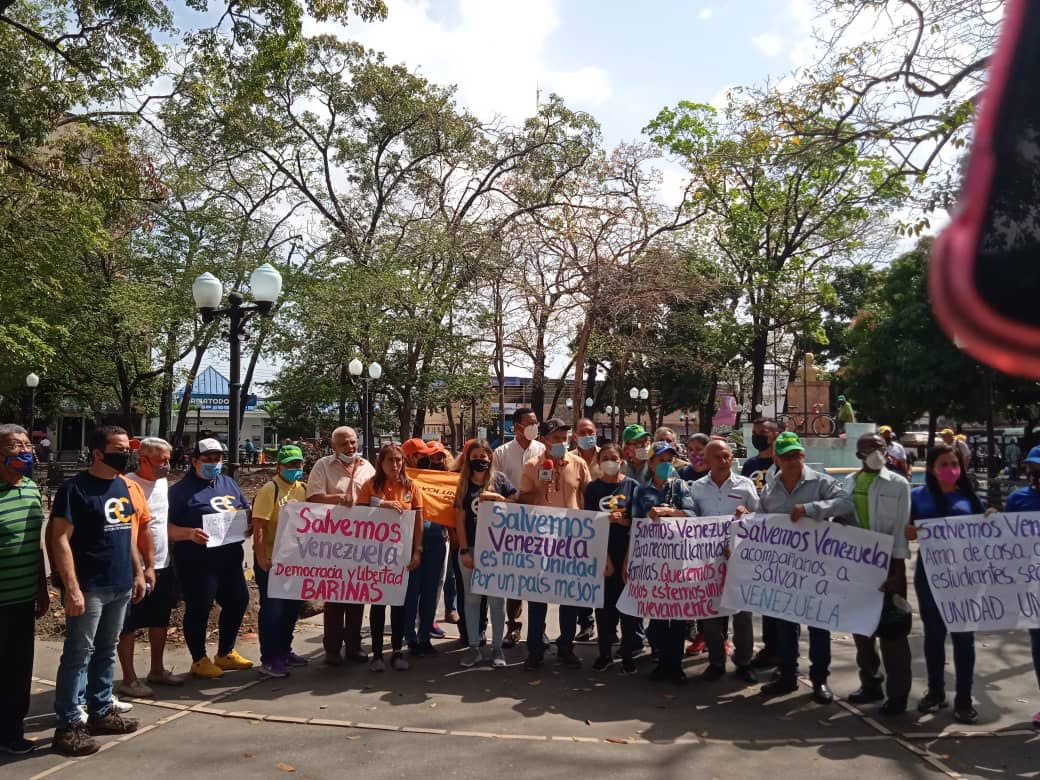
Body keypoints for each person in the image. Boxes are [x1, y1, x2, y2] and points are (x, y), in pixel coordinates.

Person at [49, 425, 146, 756]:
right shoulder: (75, 490)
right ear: (98, 453)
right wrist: (71, 587)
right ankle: (69, 723)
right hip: (89, 587)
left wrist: (137, 571)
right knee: (78, 654)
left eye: (128, 447)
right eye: (119, 448)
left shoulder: (121, 484)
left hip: (119, 584)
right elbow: (59, 537)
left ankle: (101, 709)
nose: (126, 453)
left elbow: (127, 533)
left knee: (107, 648)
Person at [759, 431, 852, 703]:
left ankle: (820, 679)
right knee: (785, 625)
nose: (793, 461)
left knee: (818, 625)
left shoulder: (821, 483)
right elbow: (761, 524)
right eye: (787, 456)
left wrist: (812, 508)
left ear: (804, 455)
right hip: (784, 569)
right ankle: (787, 675)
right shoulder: (771, 489)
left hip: (816, 569)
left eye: (797, 455)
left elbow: (845, 503)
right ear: (777, 458)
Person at [909, 444, 989, 724]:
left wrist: (991, 522)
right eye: (943, 464)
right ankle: (935, 692)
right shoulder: (917, 496)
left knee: (964, 639)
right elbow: (904, 531)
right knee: (933, 637)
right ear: (931, 468)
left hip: (965, 579)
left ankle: (964, 699)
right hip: (930, 578)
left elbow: (985, 534)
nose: (950, 469)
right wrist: (912, 530)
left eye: (954, 463)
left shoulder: (969, 497)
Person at [168, 438, 254, 679]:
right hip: (197, 562)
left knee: (238, 601)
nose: (214, 463)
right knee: (199, 608)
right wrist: (188, 533)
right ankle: (199, 659)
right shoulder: (179, 492)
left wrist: (247, 525)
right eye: (207, 459)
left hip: (229, 558)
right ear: (194, 461)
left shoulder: (228, 482)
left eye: (218, 459)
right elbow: (163, 528)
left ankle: (225, 653)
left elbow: (243, 510)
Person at [842, 433, 913, 716]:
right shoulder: (847, 484)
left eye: (880, 447)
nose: (876, 452)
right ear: (859, 453)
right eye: (869, 448)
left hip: (889, 567)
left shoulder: (898, 485)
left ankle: (898, 695)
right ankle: (870, 682)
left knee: (893, 634)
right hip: (858, 568)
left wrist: (897, 574)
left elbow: (900, 532)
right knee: (862, 631)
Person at [518, 418, 593, 671]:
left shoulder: (579, 464)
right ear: (544, 441)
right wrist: (540, 489)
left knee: (568, 596)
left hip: (570, 541)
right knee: (537, 597)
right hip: (539, 541)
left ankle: (565, 646)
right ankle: (535, 649)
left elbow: (588, 497)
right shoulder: (531, 466)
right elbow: (521, 500)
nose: (560, 443)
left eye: (564, 438)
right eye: (555, 439)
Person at [689, 439, 759, 684]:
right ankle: (716, 662)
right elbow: (690, 522)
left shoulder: (746, 485)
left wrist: (747, 515)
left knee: (742, 615)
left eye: (727, 455)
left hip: (738, 561)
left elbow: (761, 518)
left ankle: (744, 662)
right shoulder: (696, 488)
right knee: (710, 614)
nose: (724, 460)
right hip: (707, 563)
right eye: (717, 457)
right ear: (706, 461)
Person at [118, 437, 184, 698]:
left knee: (160, 618)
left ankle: (157, 669)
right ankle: (129, 678)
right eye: (161, 460)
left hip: (162, 563)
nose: (166, 465)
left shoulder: (162, 484)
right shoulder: (126, 485)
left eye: (169, 460)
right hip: (134, 567)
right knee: (129, 624)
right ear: (143, 459)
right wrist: (141, 566)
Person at [306, 426, 376, 666]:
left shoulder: (368, 466)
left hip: (361, 542)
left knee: (357, 597)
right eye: (344, 444)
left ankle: (354, 646)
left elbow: (376, 496)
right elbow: (312, 498)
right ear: (334, 446)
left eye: (354, 442)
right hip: (333, 543)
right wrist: (338, 499)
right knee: (335, 599)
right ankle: (332, 649)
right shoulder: (322, 466)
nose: (350, 447)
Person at [0, 424, 48, 755]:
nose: (25, 451)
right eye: (16, 447)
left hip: (22, 599)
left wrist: (41, 589)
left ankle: (11, 733)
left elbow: (36, 546)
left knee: (18, 672)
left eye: (27, 445)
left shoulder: (31, 489)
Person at [356, 443, 424, 672]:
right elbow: (359, 518)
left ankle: (396, 651)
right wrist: (382, 505)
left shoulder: (411, 487)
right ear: (381, 463)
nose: (395, 465)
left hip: (401, 557)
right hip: (376, 555)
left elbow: (418, 522)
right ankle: (376, 654)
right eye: (389, 460)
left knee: (399, 605)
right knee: (378, 604)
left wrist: (417, 550)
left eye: (398, 460)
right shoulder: (370, 486)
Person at [634, 440, 698, 684]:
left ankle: (675, 664)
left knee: (678, 617)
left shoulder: (680, 486)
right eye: (661, 460)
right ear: (651, 463)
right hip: (652, 562)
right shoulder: (642, 491)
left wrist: (671, 512)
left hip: (678, 561)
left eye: (670, 460)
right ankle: (661, 661)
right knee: (659, 616)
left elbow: (692, 515)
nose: (666, 465)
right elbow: (636, 524)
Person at [455, 439, 517, 668]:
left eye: (484, 455)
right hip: (470, 548)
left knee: (496, 601)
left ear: (490, 457)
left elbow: (515, 503)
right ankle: (473, 648)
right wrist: (463, 551)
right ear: (468, 459)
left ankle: (497, 648)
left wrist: (497, 498)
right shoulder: (463, 484)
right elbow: (459, 521)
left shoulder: (499, 480)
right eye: (475, 456)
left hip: (496, 551)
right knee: (471, 600)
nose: (480, 460)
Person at [252, 445, 308, 678]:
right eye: (290, 464)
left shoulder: (303, 489)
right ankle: (270, 658)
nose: (295, 468)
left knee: (291, 610)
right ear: (279, 466)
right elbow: (259, 526)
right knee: (272, 611)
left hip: (295, 562)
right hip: (272, 561)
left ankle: (285, 651)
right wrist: (261, 557)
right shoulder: (270, 489)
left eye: (298, 464)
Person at [586, 443, 641, 674]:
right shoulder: (592, 488)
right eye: (605, 457)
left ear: (621, 461)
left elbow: (638, 525)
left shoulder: (633, 486)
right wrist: (604, 558)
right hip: (602, 555)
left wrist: (622, 520)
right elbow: (589, 523)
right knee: (604, 608)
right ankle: (604, 653)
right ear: (599, 462)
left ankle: (627, 655)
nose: (610, 461)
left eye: (614, 457)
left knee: (628, 608)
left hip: (627, 554)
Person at [493, 408, 545, 649]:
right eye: (530, 423)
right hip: (511, 525)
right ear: (516, 427)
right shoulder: (501, 453)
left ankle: (539, 630)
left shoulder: (543, 451)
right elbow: (493, 486)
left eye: (536, 422)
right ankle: (513, 627)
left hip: (539, 523)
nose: (535, 426)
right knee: (514, 579)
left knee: (539, 578)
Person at [400, 438, 449, 656]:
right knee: (411, 592)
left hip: (436, 537)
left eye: (427, 456)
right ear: (409, 456)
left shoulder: (435, 477)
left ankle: (425, 637)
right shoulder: (400, 480)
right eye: (421, 455)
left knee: (430, 592)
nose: (427, 459)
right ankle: (410, 637)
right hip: (410, 542)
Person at [1004, 445, 1040, 728]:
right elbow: (1004, 542)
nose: (1036, 473)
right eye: (1034, 467)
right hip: (1032, 587)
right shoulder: (1018, 499)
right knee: (1039, 648)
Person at [742, 417, 780, 669]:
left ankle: (784, 651)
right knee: (765, 599)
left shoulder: (784, 463)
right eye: (755, 432)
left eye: (762, 432)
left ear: (776, 434)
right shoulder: (750, 465)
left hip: (783, 542)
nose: (757, 436)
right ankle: (769, 648)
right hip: (758, 541)